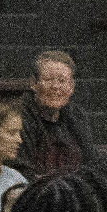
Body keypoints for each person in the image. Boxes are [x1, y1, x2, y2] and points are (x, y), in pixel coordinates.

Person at [15, 51, 98, 179]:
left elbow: (92, 163)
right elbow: (21, 170)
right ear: (33, 83)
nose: (55, 86)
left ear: (71, 87)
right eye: (48, 79)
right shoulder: (17, 116)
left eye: (62, 80)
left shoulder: (77, 116)